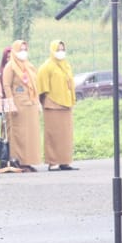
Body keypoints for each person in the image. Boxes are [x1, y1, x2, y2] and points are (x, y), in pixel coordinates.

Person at [37, 41, 76, 171]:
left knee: (66, 135)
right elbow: (41, 87)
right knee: (53, 134)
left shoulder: (66, 65)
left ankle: (65, 161)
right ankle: (53, 162)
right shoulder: (47, 66)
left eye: (62, 49)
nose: (61, 52)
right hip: (52, 104)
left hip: (66, 103)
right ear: (52, 50)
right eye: (58, 49)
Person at [2, 40, 41, 173]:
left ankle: (28, 161)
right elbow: (7, 85)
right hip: (18, 105)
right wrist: (11, 103)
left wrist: (38, 102)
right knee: (20, 134)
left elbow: (35, 85)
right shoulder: (10, 66)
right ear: (14, 51)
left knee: (31, 134)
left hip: (31, 104)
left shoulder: (29, 66)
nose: (23, 52)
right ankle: (19, 161)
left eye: (25, 49)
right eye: (20, 49)